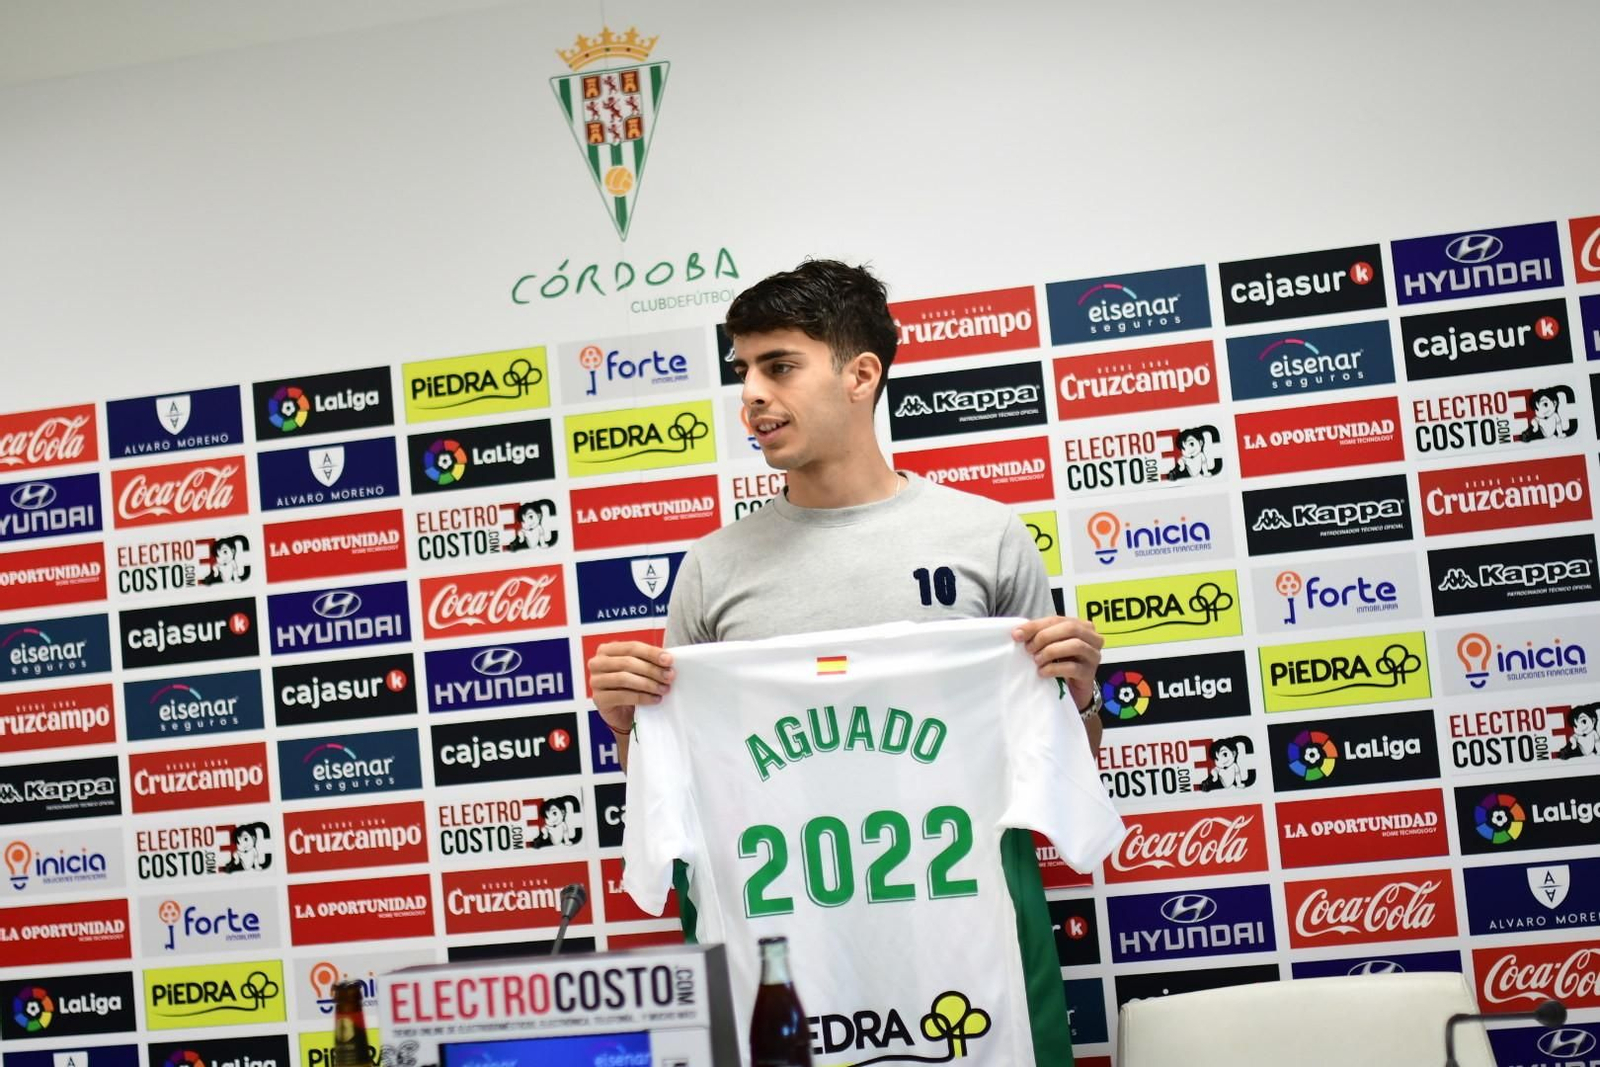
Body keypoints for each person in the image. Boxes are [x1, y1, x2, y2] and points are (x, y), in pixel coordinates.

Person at [587, 259, 1107, 1065]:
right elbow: (682, 792)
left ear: (861, 373)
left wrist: (1077, 698)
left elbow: (1059, 769)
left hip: (966, 961)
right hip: (792, 972)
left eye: (780, 365)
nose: (752, 395)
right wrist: (630, 726)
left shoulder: (988, 538)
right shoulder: (713, 569)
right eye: (744, 371)